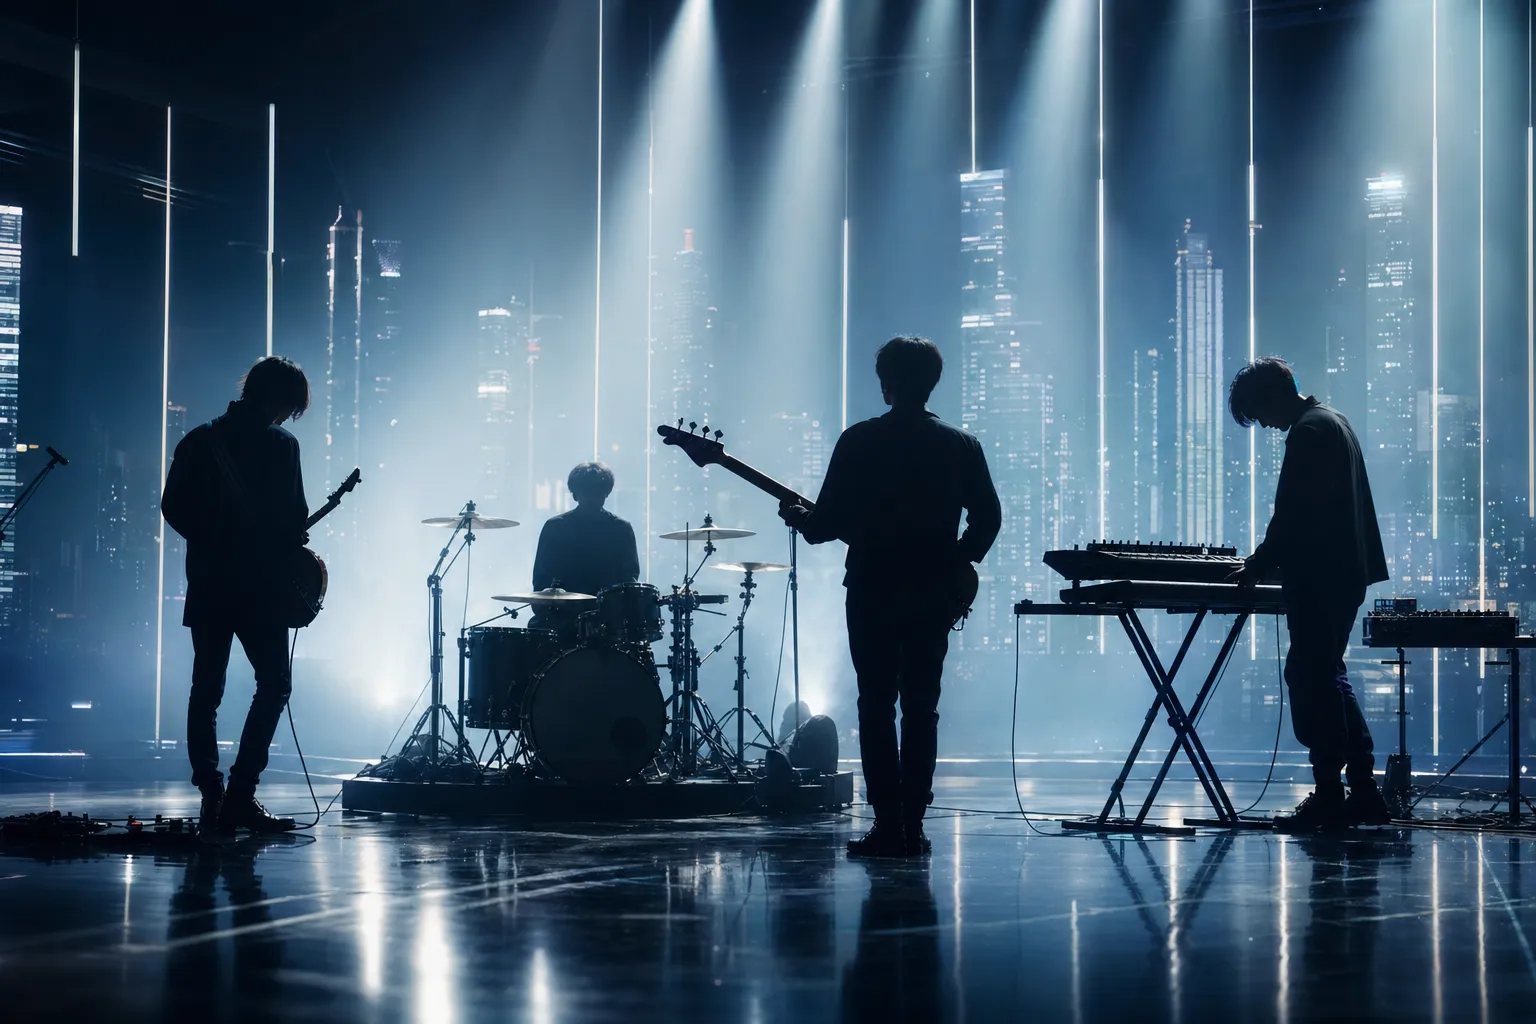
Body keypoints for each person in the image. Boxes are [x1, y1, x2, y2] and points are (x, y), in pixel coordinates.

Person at [780, 336, 1001, 858]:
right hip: (933, 591)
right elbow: (988, 517)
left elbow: (824, 526)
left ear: (886, 382)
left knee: (876, 705)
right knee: (923, 708)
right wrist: (957, 559)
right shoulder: (961, 445)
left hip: (874, 588)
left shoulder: (859, 440)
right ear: (932, 382)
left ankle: (886, 824)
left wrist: (799, 518)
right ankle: (914, 825)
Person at [1227, 356, 1391, 831]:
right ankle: (1362, 791)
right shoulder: (1333, 421)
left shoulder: (1308, 431)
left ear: (1272, 396)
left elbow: (1293, 512)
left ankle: (1329, 796)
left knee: (1310, 678)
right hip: (1344, 575)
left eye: (1259, 414)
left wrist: (1257, 564)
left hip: (1321, 578)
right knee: (1329, 675)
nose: (1265, 425)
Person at [161, 356, 311, 840]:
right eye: (291, 407)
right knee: (274, 684)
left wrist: (216, 540)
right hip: (261, 588)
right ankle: (241, 796)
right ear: (280, 400)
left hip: (210, 582)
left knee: (206, 689)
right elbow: (296, 520)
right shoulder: (283, 447)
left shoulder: (200, 441)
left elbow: (172, 507)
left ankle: (211, 793)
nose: (290, 417)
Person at [530, 462, 640, 633]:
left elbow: (629, 580)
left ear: (606, 494)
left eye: (598, 493)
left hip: (607, 621)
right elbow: (541, 580)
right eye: (587, 493)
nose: (593, 498)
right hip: (561, 619)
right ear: (575, 495)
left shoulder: (621, 528)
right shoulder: (555, 527)